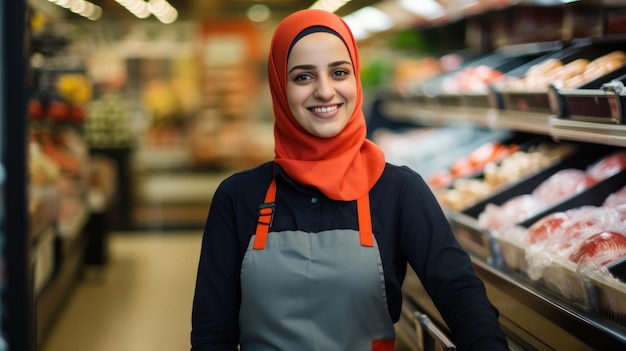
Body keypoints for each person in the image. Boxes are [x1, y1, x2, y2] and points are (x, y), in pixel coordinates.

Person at [191, 8, 509, 351]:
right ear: (280, 89)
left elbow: (463, 298)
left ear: (355, 78)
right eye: (303, 77)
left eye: (339, 72)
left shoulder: (399, 191)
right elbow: (213, 335)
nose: (325, 91)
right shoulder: (237, 198)